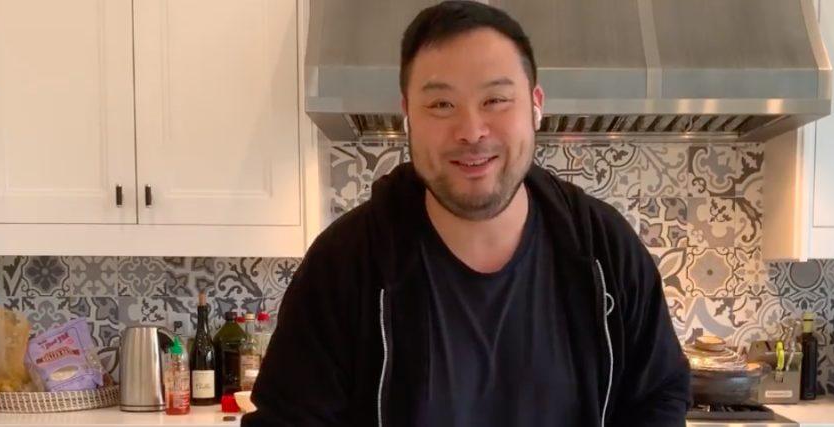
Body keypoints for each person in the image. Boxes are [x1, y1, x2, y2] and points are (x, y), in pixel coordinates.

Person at [242, 2, 691, 426]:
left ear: (536, 105)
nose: (472, 131)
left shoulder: (604, 249)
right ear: (408, 115)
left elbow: (660, 392)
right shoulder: (344, 264)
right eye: (441, 104)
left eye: (496, 100)